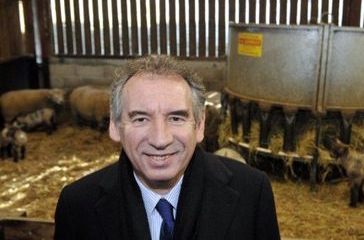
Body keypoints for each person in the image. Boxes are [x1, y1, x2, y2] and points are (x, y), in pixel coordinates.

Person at [54, 55, 280, 240]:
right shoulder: (77, 206)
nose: (160, 140)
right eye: (141, 119)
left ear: (199, 125)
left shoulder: (252, 192)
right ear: (115, 125)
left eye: (176, 118)